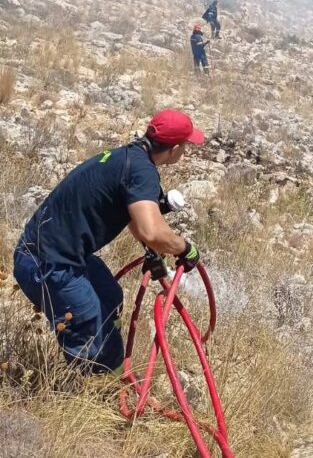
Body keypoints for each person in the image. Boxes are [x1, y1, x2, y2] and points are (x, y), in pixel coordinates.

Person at [13, 110, 204, 374]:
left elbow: (137, 221)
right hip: (48, 265)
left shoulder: (128, 156)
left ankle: (97, 364)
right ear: (174, 149)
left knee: (110, 296)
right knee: (98, 343)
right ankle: (102, 393)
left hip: (56, 255)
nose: (185, 150)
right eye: (185, 145)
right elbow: (152, 231)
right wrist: (185, 248)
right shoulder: (141, 171)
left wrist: (155, 255)